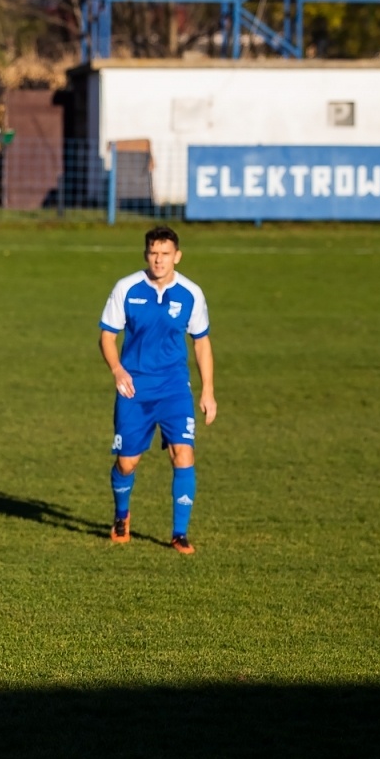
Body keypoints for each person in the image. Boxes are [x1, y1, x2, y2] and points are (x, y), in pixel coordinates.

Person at [99, 224, 217, 554]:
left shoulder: (191, 293)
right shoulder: (127, 288)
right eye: (153, 253)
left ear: (177, 256)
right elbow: (107, 336)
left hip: (174, 390)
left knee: (184, 454)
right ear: (145, 254)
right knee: (127, 463)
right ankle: (122, 516)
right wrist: (117, 369)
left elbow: (202, 343)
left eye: (166, 254)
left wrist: (207, 390)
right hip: (133, 390)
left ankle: (179, 533)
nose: (159, 260)